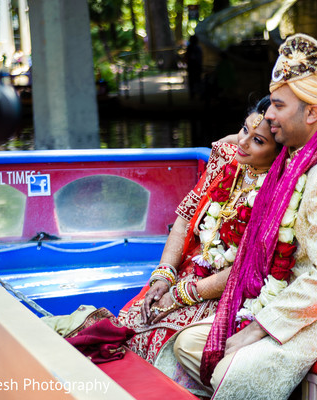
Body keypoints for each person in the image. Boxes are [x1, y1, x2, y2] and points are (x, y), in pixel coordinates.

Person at [156, 33, 317, 400]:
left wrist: (258, 327)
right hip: (286, 297)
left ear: (311, 112)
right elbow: (240, 147)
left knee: (232, 369)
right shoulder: (298, 150)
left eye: (277, 105)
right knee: (188, 345)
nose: (269, 114)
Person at [117, 95, 281, 364]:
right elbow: (184, 219)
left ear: (279, 150)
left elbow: (247, 267)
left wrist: (181, 295)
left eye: (258, 141)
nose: (242, 142)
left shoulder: (278, 191)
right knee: (132, 325)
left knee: (159, 342)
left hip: (228, 292)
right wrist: (164, 276)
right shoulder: (224, 162)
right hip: (189, 273)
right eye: (244, 129)